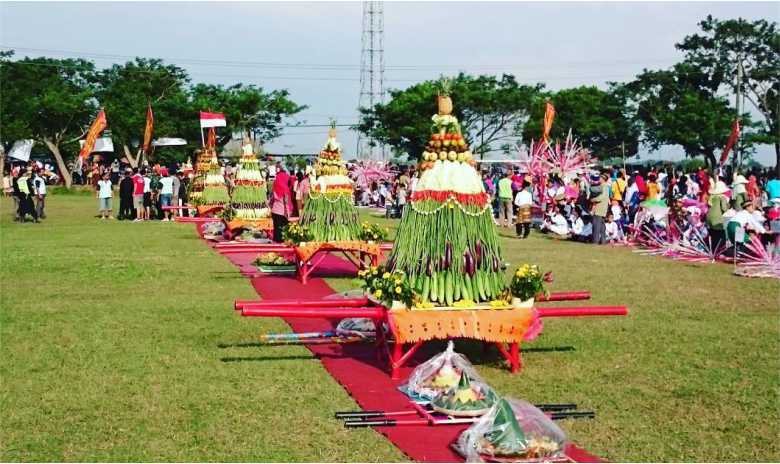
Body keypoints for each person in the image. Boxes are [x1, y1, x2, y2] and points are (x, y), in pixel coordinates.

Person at [269, 168, 294, 242]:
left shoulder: (275, 188)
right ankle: (280, 244)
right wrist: (288, 213)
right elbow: (286, 202)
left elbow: (271, 200)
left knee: (276, 228)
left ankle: (275, 242)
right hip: (282, 212)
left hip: (274, 211)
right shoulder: (285, 189)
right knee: (282, 230)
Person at [705, 180, 730, 249]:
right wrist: (728, 207)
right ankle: (719, 250)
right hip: (717, 218)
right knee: (720, 235)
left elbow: (709, 205)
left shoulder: (712, 196)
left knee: (713, 234)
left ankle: (712, 250)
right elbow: (724, 208)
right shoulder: (722, 197)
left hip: (709, 216)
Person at [590, 173, 609, 244]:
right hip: (602, 208)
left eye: (600, 178)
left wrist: (594, 199)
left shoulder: (604, 187)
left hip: (599, 208)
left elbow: (602, 197)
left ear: (603, 179)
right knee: (601, 226)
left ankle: (595, 241)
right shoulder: (604, 186)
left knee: (596, 225)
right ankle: (603, 241)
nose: (599, 179)